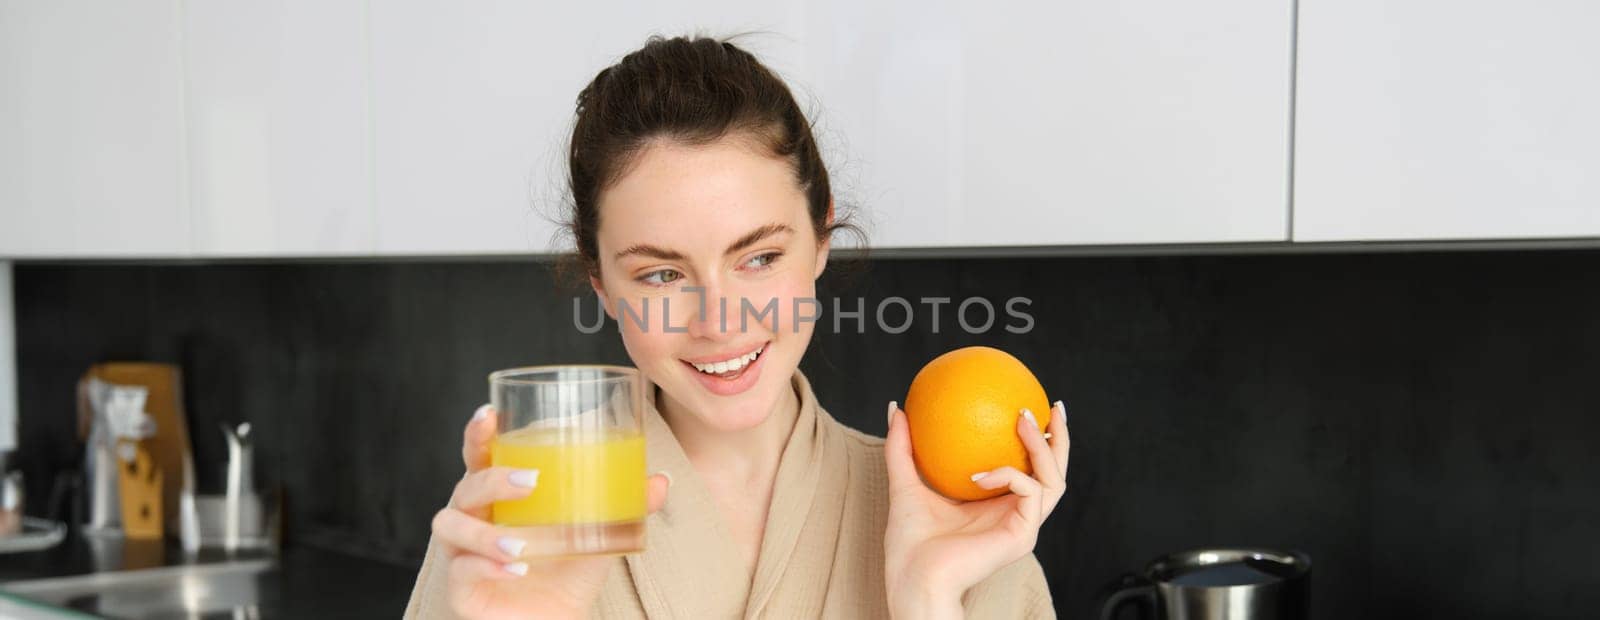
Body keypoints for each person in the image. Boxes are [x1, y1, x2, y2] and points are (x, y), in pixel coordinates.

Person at [405, 34, 1069, 619]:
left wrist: (927, 603)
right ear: (601, 281)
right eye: (661, 274)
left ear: (820, 238)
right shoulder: (515, 534)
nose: (720, 321)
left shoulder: (958, 535)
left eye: (759, 257)